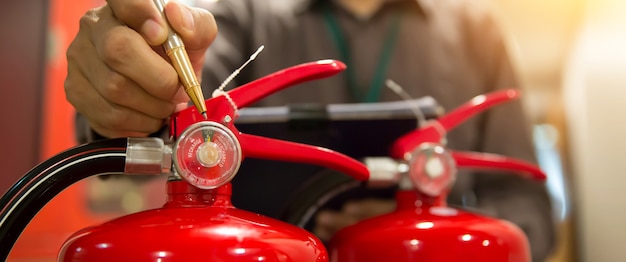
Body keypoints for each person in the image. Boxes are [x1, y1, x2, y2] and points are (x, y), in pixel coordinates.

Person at [66, 0, 556, 260]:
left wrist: (439, 237)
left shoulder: (477, 29)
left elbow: (528, 204)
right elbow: (173, 123)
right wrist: (124, 91)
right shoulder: (243, 14)